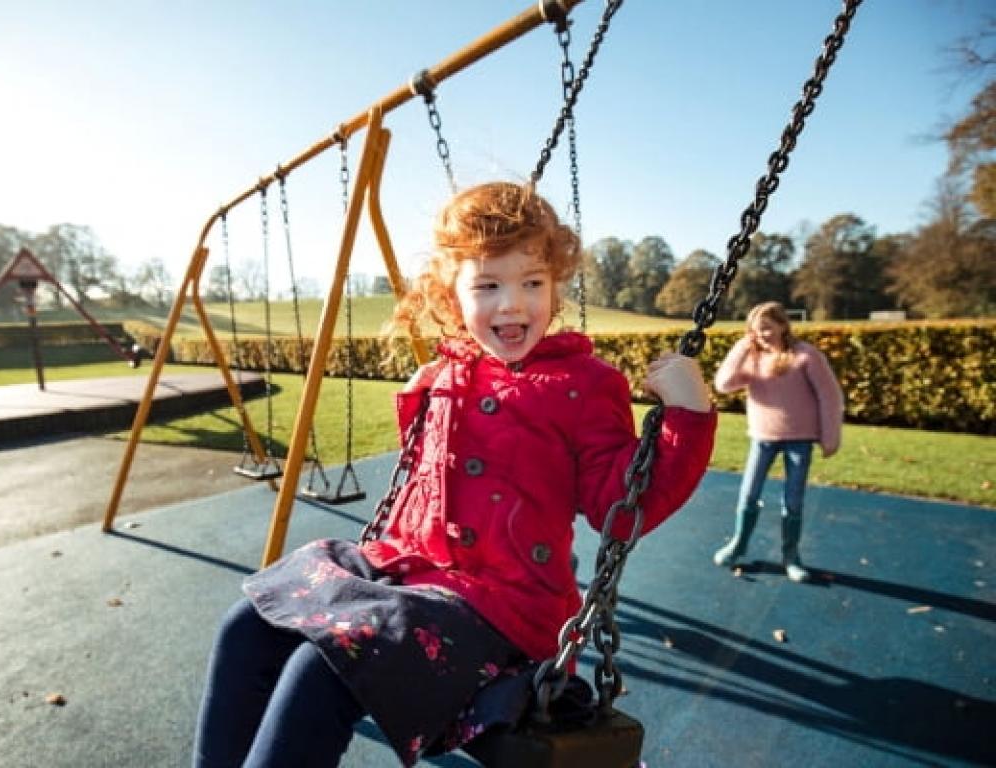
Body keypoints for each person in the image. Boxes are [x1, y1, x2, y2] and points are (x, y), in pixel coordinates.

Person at [192, 181, 717, 768]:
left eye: (532, 283)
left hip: (505, 607)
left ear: (556, 287)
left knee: (327, 668)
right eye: (488, 285)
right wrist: (420, 405)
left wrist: (687, 419)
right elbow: (436, 485)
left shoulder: (584, 384)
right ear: (453, 295)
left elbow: (617, 507)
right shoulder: (451, 369)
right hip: (409, 571)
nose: (513, 304)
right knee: (247, 625)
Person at [712, 301, 844, 583]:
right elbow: (723, 384)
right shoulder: (752, 358)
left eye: (767, 329)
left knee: (792, 500)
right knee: (748, 494)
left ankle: (791, 556)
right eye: (756, 331)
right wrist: (741, 348)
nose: (762, 336)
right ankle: (738, 544)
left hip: (799, 440)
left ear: (783, 325)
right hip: (762, 438)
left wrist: (830, 435)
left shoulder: (806, 356)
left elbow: (829, 396)